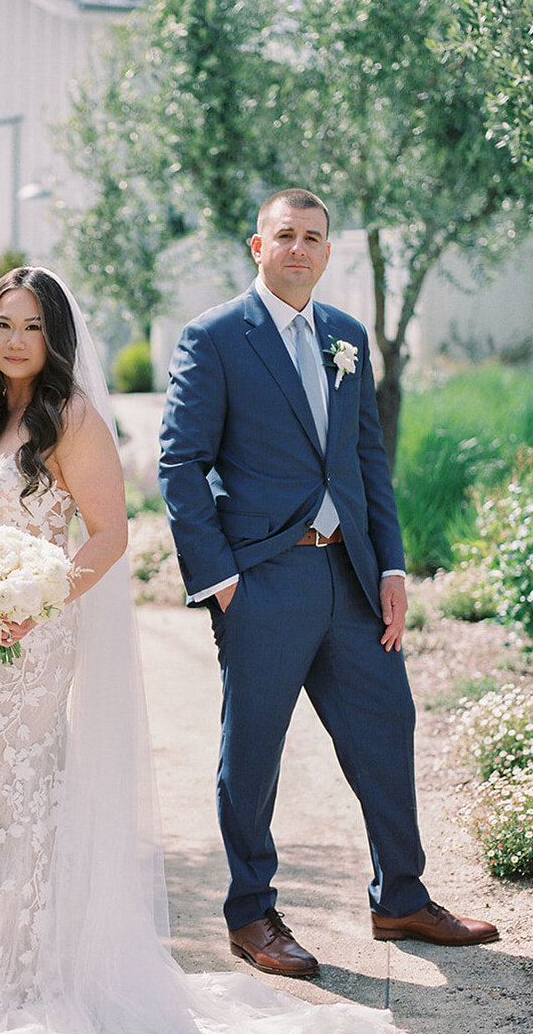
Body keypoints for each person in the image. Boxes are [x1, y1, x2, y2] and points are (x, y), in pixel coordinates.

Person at [0, 263, 456, 1034]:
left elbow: (111, 531)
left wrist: (36, 595)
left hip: (39, 633)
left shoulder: (75, 420)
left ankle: (51, 969)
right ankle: (0, 969)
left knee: (34, 789)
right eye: (3, 325)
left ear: (55, 337)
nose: (17, 340)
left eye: (32, 327)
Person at [158, 189, 499, 982]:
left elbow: (364, 459)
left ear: (328, 249)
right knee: (254, 749)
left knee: (388, 719)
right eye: (286, 235)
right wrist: (222, 580)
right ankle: (251, 913)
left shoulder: (346, 335)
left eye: (314, 237)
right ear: (257, 246)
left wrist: (389, 565)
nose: (300, 248)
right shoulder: (213, 338)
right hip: (264, 580)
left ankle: (401, 897)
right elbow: (180, 464)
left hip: (349, 574)